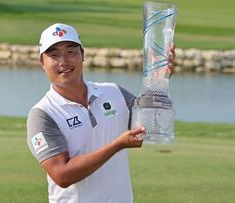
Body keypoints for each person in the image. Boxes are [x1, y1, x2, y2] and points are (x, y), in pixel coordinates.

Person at [27, 23, 176, 203]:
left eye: (71, 51)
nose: (63, 61)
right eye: (53, 54)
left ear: (83, 55)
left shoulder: (113, 92)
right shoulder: (42, 114)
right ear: (42, 62)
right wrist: (117, 145)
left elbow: (152, 126)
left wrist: (159, 81)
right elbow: (62, 175)